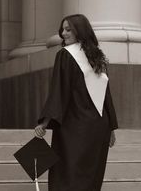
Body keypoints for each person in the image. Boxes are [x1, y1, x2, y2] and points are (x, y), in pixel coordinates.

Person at [35, 14, 118, 191]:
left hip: (75, 125)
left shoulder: (65, 55)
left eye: (68, 29)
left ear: (80, 31)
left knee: (68, 174)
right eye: (62, 30)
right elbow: (106, 94)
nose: (63, 34)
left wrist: (45, 122)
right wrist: (110, 127)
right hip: (98, 126)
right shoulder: (97, 56)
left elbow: (59, 90)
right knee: (91, 176)